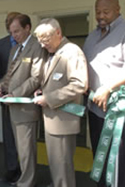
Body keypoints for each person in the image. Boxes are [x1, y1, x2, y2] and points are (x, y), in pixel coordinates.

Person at [83, 0, 125, 187]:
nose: (101, 16)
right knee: (99, 159)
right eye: (97, 12)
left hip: (118, 112)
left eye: (106, 11)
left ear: (118, 9)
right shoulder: (92, 36)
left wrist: (107, 88)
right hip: (95, 108)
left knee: (115, 165)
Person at [34, 18, 88, 187]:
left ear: (58, 33)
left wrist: (48, 98)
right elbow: (56, 81)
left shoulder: (72, 51)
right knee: (57, 166)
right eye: (40, 42)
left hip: (63, 121)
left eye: (46, 41)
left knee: (63, 167)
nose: (43, 46)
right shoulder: (55, 52)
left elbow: (79, 84)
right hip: (54, 119)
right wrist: (43, 92)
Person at [0, 14, 46, 187]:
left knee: (26, 150)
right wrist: (1, 87)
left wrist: (14, 94)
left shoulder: (37, 46)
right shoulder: (14, 50)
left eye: (17, 31)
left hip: (25, 108)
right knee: (20, 148)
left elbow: (35, 78)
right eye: (11, 32)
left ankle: (27, 182)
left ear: (27, 28)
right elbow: (9, 75)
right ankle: (24, 179)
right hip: (12, 105)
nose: (14, 35)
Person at [0, 11, 22, 184]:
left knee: (25, 137)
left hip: (24, 96)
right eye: (6, 21)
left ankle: (27, 170)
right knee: (8, 135)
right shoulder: (0, 44)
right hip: (5, 95)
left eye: (11, 21)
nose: (8, 24)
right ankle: (11, 168)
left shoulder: (30, 44)